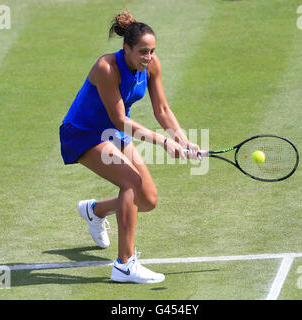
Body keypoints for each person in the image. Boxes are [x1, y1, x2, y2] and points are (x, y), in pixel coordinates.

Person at [59, 11, 200, 284]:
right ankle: (124, 265)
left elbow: (161, 109)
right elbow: (120, 120)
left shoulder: (151, 65)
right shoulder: (107, 67)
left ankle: (95, 210)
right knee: (131, 183)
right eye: (143, 52)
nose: (148, 57)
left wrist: (182, 139)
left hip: (112, 134)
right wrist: (163, 142)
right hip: (83, 133)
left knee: (147, 199)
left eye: (152, 51)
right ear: (127, 49)